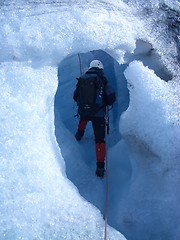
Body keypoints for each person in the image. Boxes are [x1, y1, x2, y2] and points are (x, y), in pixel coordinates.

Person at [73, 60, 116, 178]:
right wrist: (104, 103)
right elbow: (111, 96)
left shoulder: (83, 78)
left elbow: (75, 96)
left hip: (84, 111)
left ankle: (79, 135)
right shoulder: (102, 79)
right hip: (99, 114)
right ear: (100, 69)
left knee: (83, 118)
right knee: (99, 140)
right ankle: (100, 167)